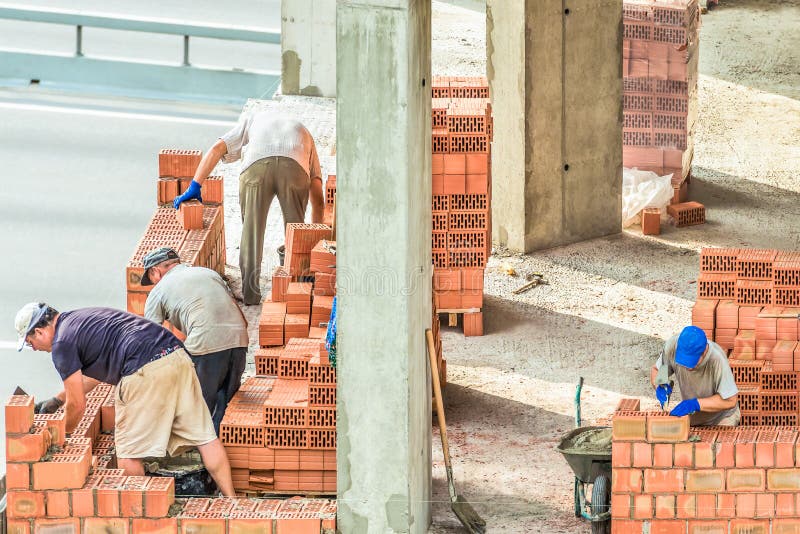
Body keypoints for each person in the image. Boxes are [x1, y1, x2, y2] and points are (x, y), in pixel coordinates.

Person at [15, 302, 235, 495]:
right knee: (205, 438)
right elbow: (92, 379)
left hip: (144, 369)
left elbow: (78, 405)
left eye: (29, 342)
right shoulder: (78, 319)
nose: (33, 349)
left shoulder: (61, 345)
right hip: (176, 356)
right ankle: (232, 503)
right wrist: (57, 399)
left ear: (39, 332)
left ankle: (144, 518)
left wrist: (62, 439)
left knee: (129, 454)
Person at [173, 112, 325, 305]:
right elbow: (318, 200)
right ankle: (297, 289)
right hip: (294, 165)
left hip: (256, 164)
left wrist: (195, 185)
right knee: (295, 233)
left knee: (251, 232)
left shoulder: (253, 119)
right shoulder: (305, 134)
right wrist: (317, 246)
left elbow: (217, 148)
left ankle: (250, 294)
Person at [141, 247, 249, 432]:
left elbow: (151, 339)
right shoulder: (208, 273)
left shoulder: (158, 291)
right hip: (239, 340)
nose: (152, 283)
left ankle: (204, 453)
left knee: (199, 407)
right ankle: (226, 451)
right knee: (227, 407)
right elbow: (241, 315)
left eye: (150, 279)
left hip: (206, 345)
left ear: (154, 271)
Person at [650, 325, 740, 426]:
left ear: (704, 351)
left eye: (692, 361)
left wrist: (695, 404)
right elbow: (657, 370)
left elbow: (730, 401)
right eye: (683, 361)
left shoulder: (717, 359)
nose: (687, 366)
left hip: (721, 418)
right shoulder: (672, 347)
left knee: (718, 441)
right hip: (693, 417)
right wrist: (660, 386)